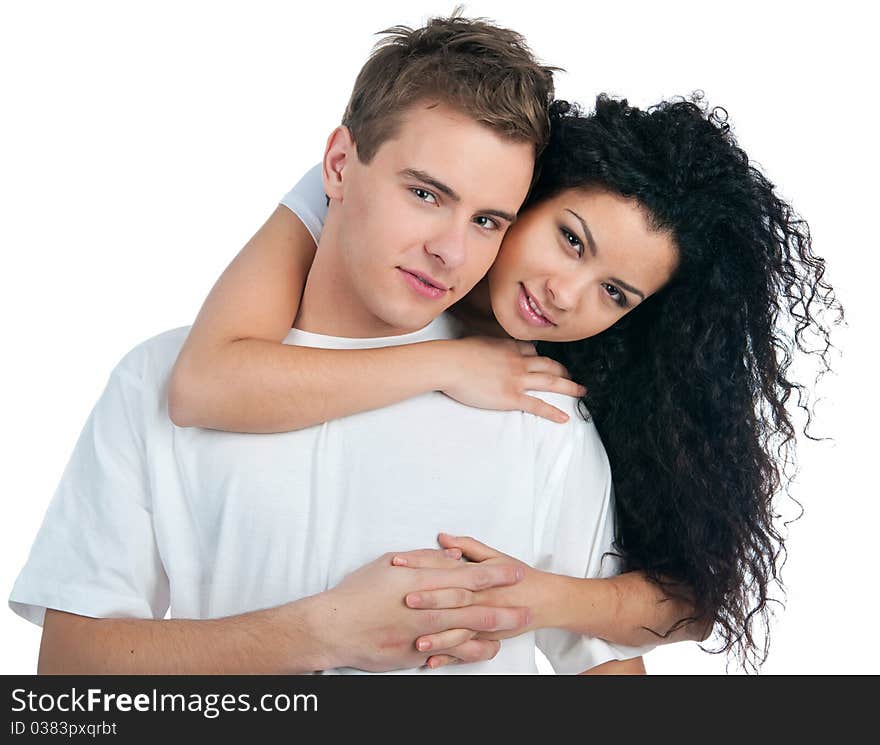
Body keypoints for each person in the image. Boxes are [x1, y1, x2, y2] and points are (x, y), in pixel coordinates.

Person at [10, 14, 685, 675]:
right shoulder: (154, 380)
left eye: (486, 220)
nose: (450, 250)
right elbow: (69, 680)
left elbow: (609, 669)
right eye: (425, 193)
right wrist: (322, 632)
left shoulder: (537, 411)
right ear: (339, 163)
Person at [167, 95, 841, 672]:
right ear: (526, 194)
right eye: (571, 240)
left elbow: (688, 600)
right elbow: (202, 384)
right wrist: (447, 364)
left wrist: (528, 597)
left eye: (614, 292)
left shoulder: (555, 406)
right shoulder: (358, 191)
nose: (565, 293)